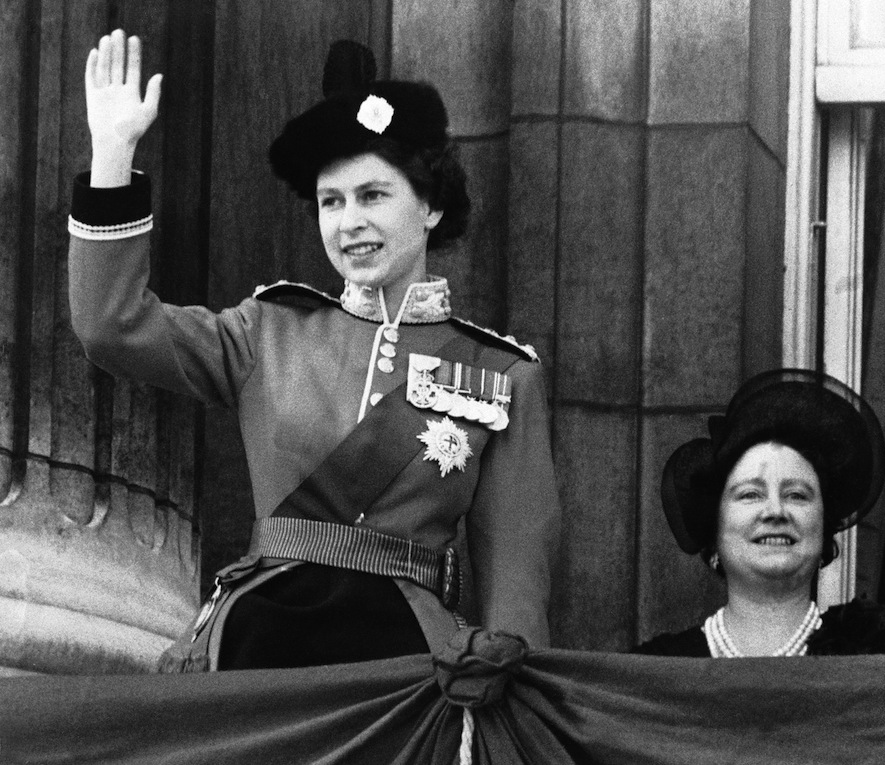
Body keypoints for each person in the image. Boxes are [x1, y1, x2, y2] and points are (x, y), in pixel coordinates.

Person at [68, 30, 559, 671]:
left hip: (405, 671)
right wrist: (112, 155)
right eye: (332, 202)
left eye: (373, 195)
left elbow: (516, 579)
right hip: (257, 646)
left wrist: (507, 685)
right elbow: (111, 326)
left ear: (431, 206)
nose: (349, 221)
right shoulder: (267, 331)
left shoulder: (502, 375)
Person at [635, 369, 885, 657]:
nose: (775, 511)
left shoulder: (874, 657)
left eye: (796, 495)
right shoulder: (657, 670)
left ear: (824, 528)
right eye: (750, 494)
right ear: (714, 536)